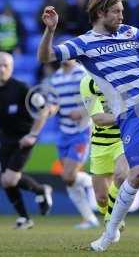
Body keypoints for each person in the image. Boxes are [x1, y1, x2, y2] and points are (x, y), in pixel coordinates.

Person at [37, 0, 139, 252]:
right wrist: (50, 30)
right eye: (116, 11)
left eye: (122, 10)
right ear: (100, 13)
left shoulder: (129, 32)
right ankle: (109, 234)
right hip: (131, 114)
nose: (122, 15)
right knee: (137, 174)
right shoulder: (84, 43)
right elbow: (45, 57)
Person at [0, 52, 52, 229]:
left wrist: (32, 134)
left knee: (9, 178)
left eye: (5, 65)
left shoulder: (22, 88)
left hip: (23, 139)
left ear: (11, 67)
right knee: (6, 181)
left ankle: (41, 191)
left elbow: (44, 109)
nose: (2, 69)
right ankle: (25, 217)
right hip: (5, 139)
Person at [47, 59, 99, 229]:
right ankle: (89, 218)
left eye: (67, 53)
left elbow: (97, 97)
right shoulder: (56, 77)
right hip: (64, 132)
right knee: (70, 180)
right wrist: (49, 109)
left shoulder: (83, 73)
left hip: (81, 131)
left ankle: (100, 182)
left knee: (68, 175)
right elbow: (54, 103)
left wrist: (83, 111)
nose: (63, 56)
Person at [79, 72, 129, 227]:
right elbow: (99, 119)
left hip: (124, 138)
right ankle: (113, 220)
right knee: (101, 198)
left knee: (121, 176)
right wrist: (129, 115)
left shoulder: (128, 72)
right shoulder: (88, 82)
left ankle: (111, 221)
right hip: (100, 143)